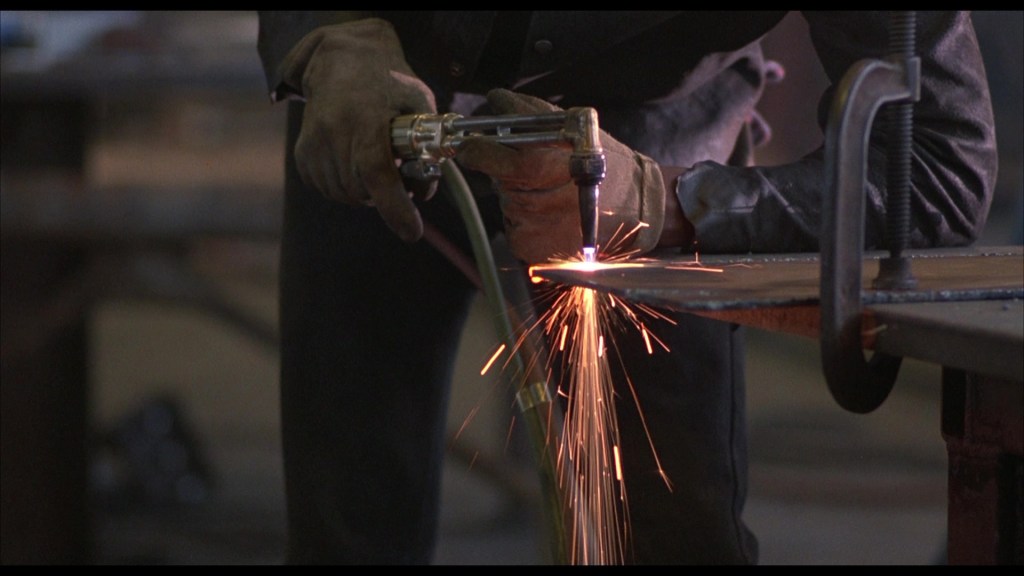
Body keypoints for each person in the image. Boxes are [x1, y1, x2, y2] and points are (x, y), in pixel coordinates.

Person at [255, 11, 996, 564]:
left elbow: (938, 162)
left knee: (668, 533)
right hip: (372, 101)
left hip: (651, 127)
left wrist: (671, 203)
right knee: (347, 525)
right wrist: (330, 36)